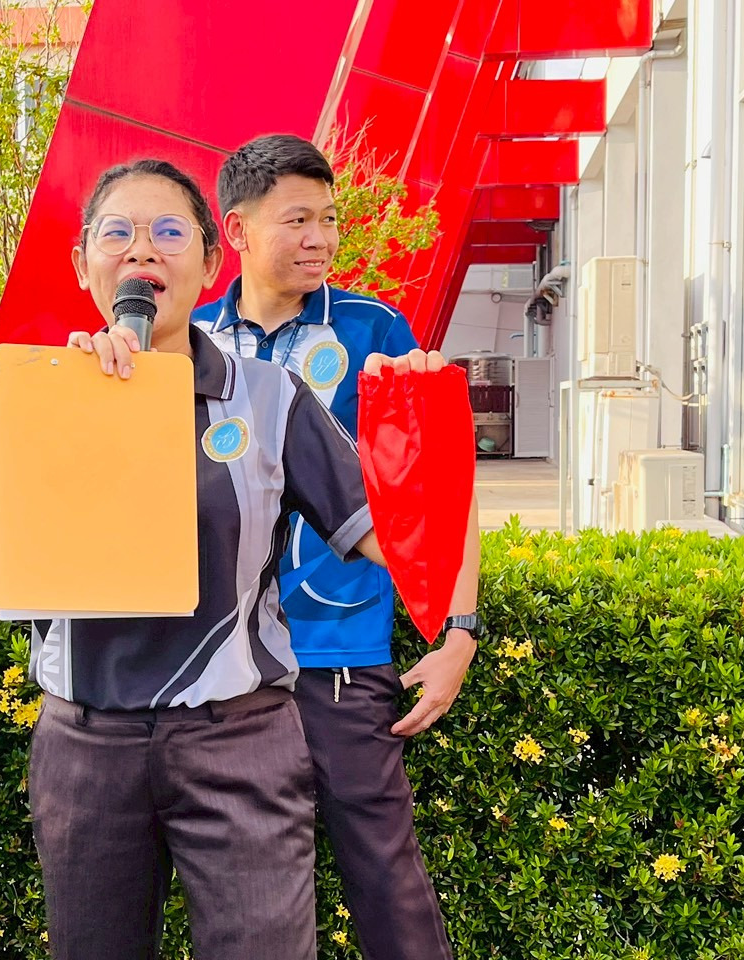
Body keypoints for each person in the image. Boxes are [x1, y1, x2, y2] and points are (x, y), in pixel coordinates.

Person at [0, 159, 478, 960]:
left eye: (169, 232)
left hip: (239, 741)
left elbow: (405, 545)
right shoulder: (49, 397)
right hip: (86, 747)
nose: (142, 250)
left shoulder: (271, 396)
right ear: (82, 264)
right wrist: (75, 426)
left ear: (209, 261)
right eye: (117, 233)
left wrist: (421, 420)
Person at [185, 133, 479, 960]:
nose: (320, 239)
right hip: (219, 662)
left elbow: (443, 492)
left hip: (339, 653)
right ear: (237, 230)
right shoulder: (190, 339)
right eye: (297, 220)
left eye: (329, 219)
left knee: (383, 873)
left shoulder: (375, 331)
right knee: (241, 886)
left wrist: (459, 632)